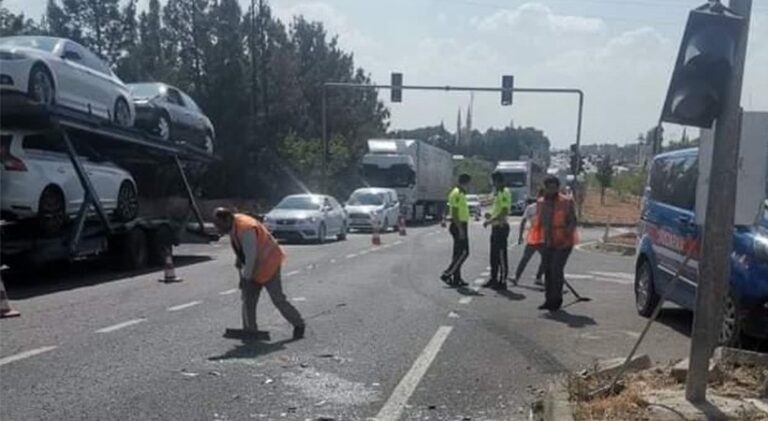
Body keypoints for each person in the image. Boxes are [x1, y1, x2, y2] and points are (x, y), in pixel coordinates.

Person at [213, 208, 306, 339]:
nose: (218, 228)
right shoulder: (235, 224)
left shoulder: (246, 228)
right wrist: (239, 260)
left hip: (269, 263)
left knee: (277, 298)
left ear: (227, 219)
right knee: (248, 299)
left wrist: (246, 278)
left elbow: (251, 257)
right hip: (255, 265)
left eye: (219, 225)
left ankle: (299, 324)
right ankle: (250, 330)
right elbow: (242, 248)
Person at [528, 176, 578, 311]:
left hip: (564, 241)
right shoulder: (541, 202)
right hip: (548, 241)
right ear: (545, 188)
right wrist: (537, 240)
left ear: (558, 187)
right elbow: (539, 223)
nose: (552, 190)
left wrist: (566, 234)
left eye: (554, 187)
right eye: (549, 187)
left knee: (556, 269)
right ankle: (548, 300)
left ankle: (557, 300)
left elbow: (573, 220)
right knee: (548, 270)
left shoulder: (566, 201)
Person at [441, 173, 471, 287]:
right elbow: (454, 213)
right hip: (459, 225)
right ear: (466, 183)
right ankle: (448, 273)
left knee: (458, 253)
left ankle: (456, 278)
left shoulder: (460, 193)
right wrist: (460, 229)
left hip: (461, 224)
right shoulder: (457, 193)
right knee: (464, 252)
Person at [482, 172, 512, 290]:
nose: (492, 183)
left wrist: (490, 221)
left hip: (501, 227)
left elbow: (504, 211)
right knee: (493, 255)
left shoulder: (504, 192)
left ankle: (502, 280)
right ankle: (493, 279)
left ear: (497, 181)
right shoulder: (498, 193)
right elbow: (498, 209)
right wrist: (491, 215)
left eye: (493, 181)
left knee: (501, 255)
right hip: (495, 227)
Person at [513, 190, 546, 286]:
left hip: (544, 239)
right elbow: (523, 221)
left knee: (546, 259)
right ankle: (516, 277)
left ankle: (538, 277)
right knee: (525, 258)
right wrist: (520, 236)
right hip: (533, 237)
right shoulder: (531, 208)